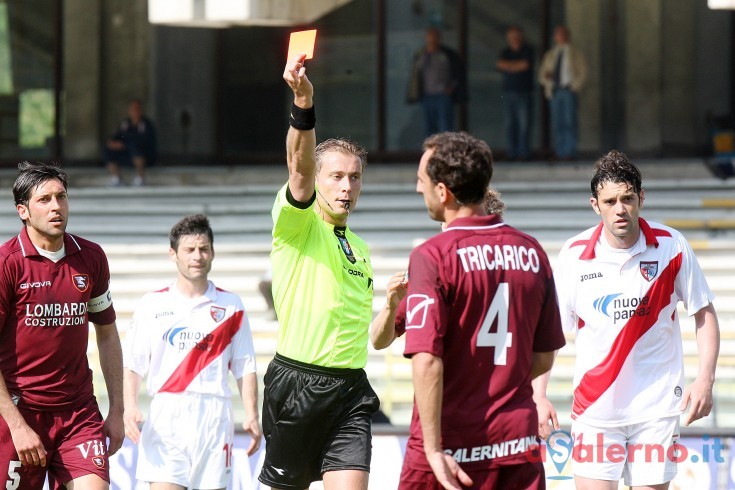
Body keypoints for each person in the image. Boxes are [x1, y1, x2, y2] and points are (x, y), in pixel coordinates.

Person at [398, 132, 566, 489]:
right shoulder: (533, 251)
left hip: (452, 447)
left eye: (421, 181)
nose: (417, 190)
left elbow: (426, 360)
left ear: (443, 192)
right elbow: (543, 357)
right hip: (517, 444)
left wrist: (432, 449)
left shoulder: (432, 256)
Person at [552, 150, 720, 489]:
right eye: (610, 201)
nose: (620, 209)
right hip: (594, 410)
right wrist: (537, 393)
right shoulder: (573, 255)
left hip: (656, 408)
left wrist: (705, 379)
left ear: (641, 197)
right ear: (594, 204)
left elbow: (704, 312)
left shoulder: (672, 245)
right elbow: (551, 334)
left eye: (627, 198)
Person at [257, 55, 379, 490]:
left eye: (355, 178)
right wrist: (303, 105)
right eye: (337, 177)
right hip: (298, 384)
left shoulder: (361, 248)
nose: (346, 187)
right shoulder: (299, 224)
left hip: (350, 389)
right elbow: (299, 168)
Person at [0, 161, 123, 489]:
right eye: (45, 200)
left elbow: (108, 333)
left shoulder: (91, 257)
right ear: (22, 210)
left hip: (78, 412)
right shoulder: (6, 264)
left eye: (62, 197)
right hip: (20, 411)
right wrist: (16, 425)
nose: (56, 206)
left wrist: (117, 410)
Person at [122, 214, 260, 489]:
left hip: (214, 417)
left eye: (204, 249)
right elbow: (134, 363)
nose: (197, 256)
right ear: (173, 254)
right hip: (166, 415)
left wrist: (252, 413)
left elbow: (245, 366)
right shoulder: (153, 304)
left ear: (212, 253)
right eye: (189, 249)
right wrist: (129, 407)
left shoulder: (231, 306)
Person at [407, 27, 467, 137]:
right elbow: (417, 72)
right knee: (429, 127)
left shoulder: (447, 55)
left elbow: (457, 72)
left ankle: (447, 151)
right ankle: (431, 152)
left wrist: (451, 87)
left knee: (446, 126)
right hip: (427, 95)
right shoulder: (421, 54)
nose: (432, 40)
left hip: (443, 95)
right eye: (430, 38)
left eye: (434, 37)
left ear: (439, 39)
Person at [538, 25, 587, 160]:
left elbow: (583, 72)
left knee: (569, 121)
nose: (561, 37)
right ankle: (560, 152)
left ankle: (570, 152)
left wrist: (575, 86)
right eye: (558, 34)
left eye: (563, 34)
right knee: (558, 122)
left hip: (568, 90)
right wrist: (547, 80)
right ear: (555, 37)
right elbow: (541, 74)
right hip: (555, 91)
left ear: (568, 36)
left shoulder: (575, 53)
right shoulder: (550, 54)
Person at [496, 26, 535, 161]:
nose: (515, 39)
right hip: (508, 93)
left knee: (524, 124)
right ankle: (512, 152)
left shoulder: (527, 50)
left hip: (524, 92)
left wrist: (509, 66)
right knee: (510, 124)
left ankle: (523, 152)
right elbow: (500, 64)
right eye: (512, 36)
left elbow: (524, 65)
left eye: (517, 36)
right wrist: (515, 66)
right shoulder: (505, 51)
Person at [104, 99, 157, 187]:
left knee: (136, 148)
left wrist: (125, 145)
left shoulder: (146, 125)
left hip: (144, 156)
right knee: (109, 150)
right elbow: (117, 136)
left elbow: (144, 141)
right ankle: (116, 178)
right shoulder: (125, 124)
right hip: (127, 155)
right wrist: (112, 143)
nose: (134, 112)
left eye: (137, 109)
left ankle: (140, 178)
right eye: (132, 109)